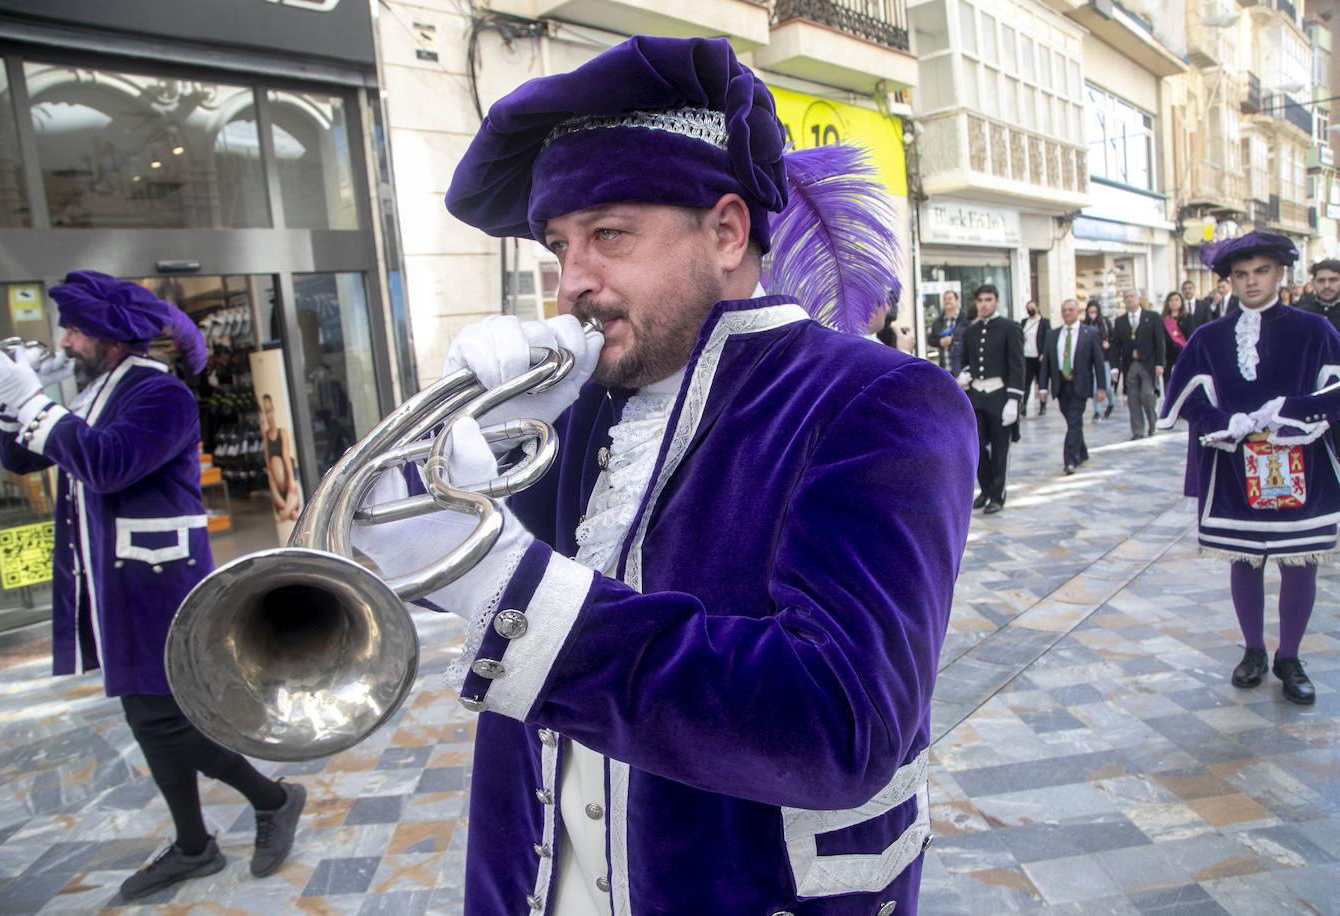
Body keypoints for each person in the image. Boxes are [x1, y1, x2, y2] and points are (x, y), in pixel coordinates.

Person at [359, 36, 977, 916]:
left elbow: (842, 724)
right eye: (558, 247)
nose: (573, 282)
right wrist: (460, 467)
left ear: (727, 231)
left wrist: (498, 580)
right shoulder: (576, 403)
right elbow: (458, 580)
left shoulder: (885, 399)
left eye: (608, 235)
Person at [0, 271, 306, 899]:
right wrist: (13, 399)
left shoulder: (161, 395)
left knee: (162, 719)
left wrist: (39, 404)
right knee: (147, 713)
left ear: (110, 336)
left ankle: (270, 799)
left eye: (74, 329)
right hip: (117, 585)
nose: (64, 341)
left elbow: (105, 463)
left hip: (157, 586)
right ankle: (195, 844)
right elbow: (21, 461)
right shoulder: (99, 392)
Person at [1160, 232, 1340, 705]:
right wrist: (1226, 422)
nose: (1251, 282)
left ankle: (1291, 656)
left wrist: (1292, 410)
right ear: (1230, 281)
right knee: (1245, 559)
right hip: (1235, 470)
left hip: (1302, 468)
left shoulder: (1315, 331)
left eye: (1260, 271)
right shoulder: (1208, 337)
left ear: (1280, 273)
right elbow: (1185, 400)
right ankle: (1255, 651)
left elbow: (1336, 392)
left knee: (1298, 564)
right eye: (1241, 274)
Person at [959, 284, 1024, 515]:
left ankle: (997, 495)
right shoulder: (970, 332)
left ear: (996, 301)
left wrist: (1014, 400)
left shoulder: (1009, 328)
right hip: (977, 395)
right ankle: (985, 490)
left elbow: (1017, 366)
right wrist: (966, 373)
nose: (984, 304)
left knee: (999, 449)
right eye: (980, 300)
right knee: (976, 446)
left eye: (988, 300)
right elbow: (966, 361)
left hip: (1000, 395)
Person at [1039, 298, 1106, 474]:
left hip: (1080, 384)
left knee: (1075, 420)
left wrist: (1101, 387)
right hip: (1061, 385)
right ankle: (1082, 451)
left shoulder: (1089, 333)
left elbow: (1098, 362)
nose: (1067, 313)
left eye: (1070, 310)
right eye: (1064, 310)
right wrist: (1043, 388)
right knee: (1071, 421)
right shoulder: (1053, 335)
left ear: (1078, 312)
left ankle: (1070, 459)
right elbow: (1046, 363)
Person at [1109, 287, 1166, 439]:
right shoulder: (1120, 321)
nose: (1129, 299)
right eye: (1126, 297)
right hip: (1130, 365)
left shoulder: (1152, 317)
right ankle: (1138, 431)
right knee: (1132, 399)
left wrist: (1160, 363)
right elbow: (1115, 346)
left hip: (1148, 363)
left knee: (1147, 395)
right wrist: (1114, 368)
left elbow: (1159, 342)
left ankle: (1153, 424)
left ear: (1138, 298)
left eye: (1132, 296)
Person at [260, 392, 301, 523]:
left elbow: (285, 455)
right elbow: (268, 464)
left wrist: (292, 482)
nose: (269, 416)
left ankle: (287, 512)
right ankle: (289, 511)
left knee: (282, 461)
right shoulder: (266, 436)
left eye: (270, 411)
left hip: (288, 478)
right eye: (266, 412)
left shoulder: (281, 432)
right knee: (273, 462)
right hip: (278, 486)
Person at [1084, 300, 1115, 423]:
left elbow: (1113, 337)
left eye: (1094, 312)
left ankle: (1111, 403)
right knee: (1095, 386)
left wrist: (1108, 344)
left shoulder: (1105, 322)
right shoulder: (1085, 324)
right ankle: (1096, 412)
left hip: (1104, 358)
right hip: (1090, 360)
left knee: (1106, 385)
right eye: (1090, 312)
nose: (1092, 314)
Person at [927, 289, 968, 376]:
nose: (947, 301)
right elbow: (930, 340)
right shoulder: (938, 321)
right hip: (945, 367)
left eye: (950, 299)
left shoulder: (965, 319)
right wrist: (940, 342)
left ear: (957, 300)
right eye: (945, 299)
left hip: (962, 369)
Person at [1020, 299, 1049, 416]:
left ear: (1037, 308)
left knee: (1042, 382)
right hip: (1027, 356)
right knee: (1026, 383)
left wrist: (1044, 353)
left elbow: (1048, 338)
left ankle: (1043, 406)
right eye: (1028, 308)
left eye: (1032, 307)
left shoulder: (1044, 322)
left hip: (1039, 357)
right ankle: (1024, 405)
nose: (1030, 310)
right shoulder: (1024, 322)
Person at [1298, 257, 1340, 331]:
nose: (1327, 286)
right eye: (1321, 281)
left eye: (1333, 280)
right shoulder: (1301, 315)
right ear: (1313, 283)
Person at [1161, 290, 1190, 381]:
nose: (1174, 302)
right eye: (1171, 300)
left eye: (1177, 300)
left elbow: (1190, 336)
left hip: (1183, 354)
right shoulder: (1162, 319)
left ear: (1181, 302)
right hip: (1168, 356)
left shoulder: (1188, 317)